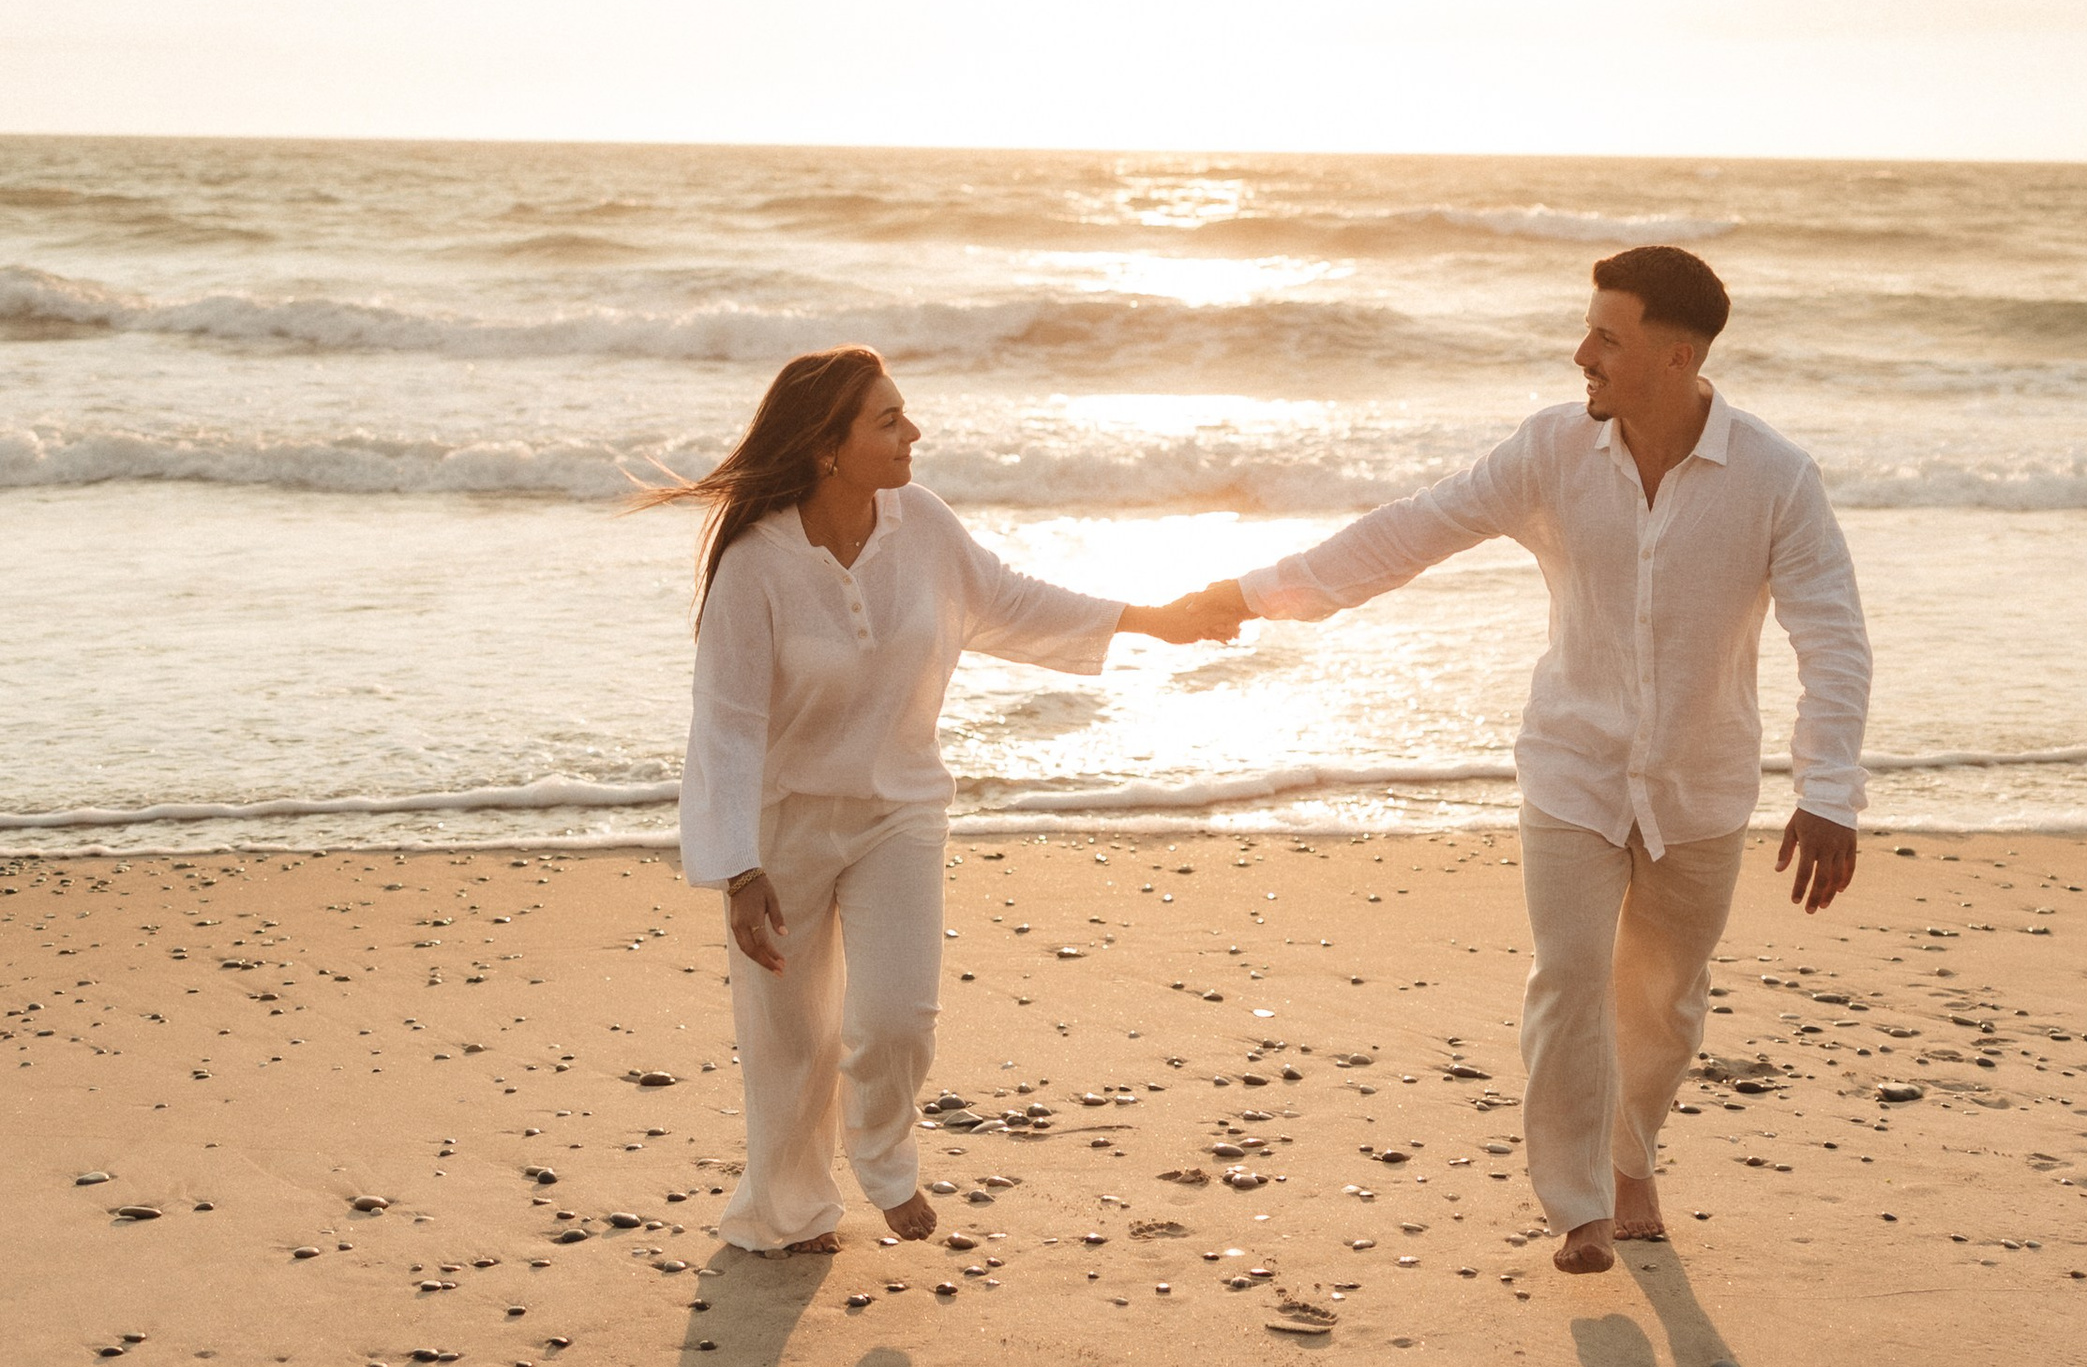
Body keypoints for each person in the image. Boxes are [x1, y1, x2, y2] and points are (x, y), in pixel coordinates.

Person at [1179, 245, 1869, 1276]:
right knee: (1571, 977)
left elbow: (1833, 638)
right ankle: (1580, 1205)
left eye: (1608, 337)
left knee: (1665, 1003)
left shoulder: (1776, 479)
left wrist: (1829, 792)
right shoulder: (1550, 452)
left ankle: (1630, 1157)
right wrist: (1248, 595)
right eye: (1588, 330)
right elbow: (1410, 532)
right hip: (1571, 769)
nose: (1582, 353)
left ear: (1678, 357)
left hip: (1701, 783)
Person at [648, 346, 1237, 1255]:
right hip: (782, 824)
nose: (912, 432)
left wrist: (1148, 618)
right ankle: (787, 1213)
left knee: (897, 1019)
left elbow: (1006, 598)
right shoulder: (755, 567)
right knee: (789, 1044)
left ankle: (884, 1162)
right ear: (827, 447)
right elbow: (725, 726)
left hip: (901, 810)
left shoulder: (920, 523)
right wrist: (737, 870)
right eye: (887, 421)